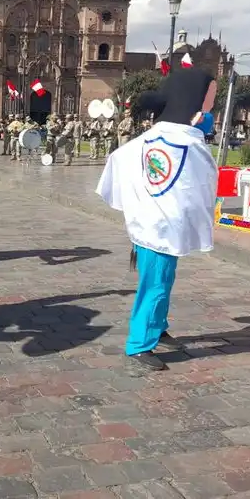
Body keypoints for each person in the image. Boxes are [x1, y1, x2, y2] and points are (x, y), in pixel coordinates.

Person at [95, 67, 219, 372]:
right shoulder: (184, 144)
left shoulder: (154, 139)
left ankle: (158, 327)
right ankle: (140, 343)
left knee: (162, 280)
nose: (209, 112)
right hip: (160, 226)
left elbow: (118, 161)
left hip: (156, 224)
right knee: (156, 284)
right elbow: (204, 182)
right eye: (207, 103)